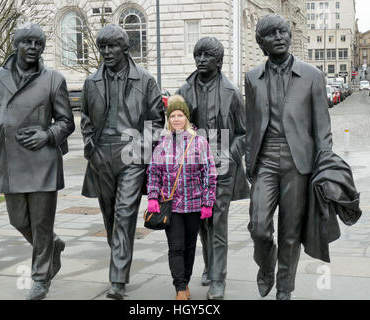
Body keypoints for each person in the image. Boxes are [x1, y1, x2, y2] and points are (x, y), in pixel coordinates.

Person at [0, 22, 75, 300]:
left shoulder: (53, 79)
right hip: (11, 160)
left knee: (42, 223)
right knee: (18, 219)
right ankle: (53, 246)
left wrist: (47, 135)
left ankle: (40, 279)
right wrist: (1, 125)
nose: (33, 48)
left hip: (44, 161)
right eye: (27, 42)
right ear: (15, 45)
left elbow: (67, 122)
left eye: (38, 44)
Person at [244, 14, 333, 300]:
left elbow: (322, 130)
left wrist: (325, 167)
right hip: (265, 160)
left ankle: (285, 289)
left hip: (299, 163)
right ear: (262, 43)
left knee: (290, 232)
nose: (280, 37)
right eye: (272, 34)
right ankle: (266, 265)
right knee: (258, 226)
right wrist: (249, 161)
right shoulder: (252, 78)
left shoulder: (312, 76)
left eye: (283, 32)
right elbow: (251, 125)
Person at [80, 24, 165, 300]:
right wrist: (90, 144)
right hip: (102, 155)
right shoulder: (91, 82)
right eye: (102, 47)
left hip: (133, 154)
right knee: (110, 216)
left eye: (112, 46)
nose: (106, 52)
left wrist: (142, 147)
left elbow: (156, 121)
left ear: (125, 48)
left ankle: (117, 279)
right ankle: (119, 255)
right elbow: (85, 119)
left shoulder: (145, 80)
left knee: (125, 214)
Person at [176, 36, 248, 300]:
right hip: (193, 169)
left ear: (219, 61)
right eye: (198, 55)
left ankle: (218, 279)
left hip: (222, 168)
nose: (201, 60)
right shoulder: (184, 91)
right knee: (203, 221)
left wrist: (229, 155)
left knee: (217, 222)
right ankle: (209, 264)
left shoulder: (231, 93)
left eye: (207, 56)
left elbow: (242, 133)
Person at [146, 95, 217, 300]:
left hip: (194, 205)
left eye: (180, 115)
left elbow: (209, 173)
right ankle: (179, 288)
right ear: (168, 119)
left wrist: (207, 202)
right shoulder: (162, 144)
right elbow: (154, 173)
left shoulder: (199, 142)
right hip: (173, 206)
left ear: (186, 117)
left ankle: (185, 281)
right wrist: (152, 198)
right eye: (173, 115)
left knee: (189, 247)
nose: (176, 119)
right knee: (175, 247)